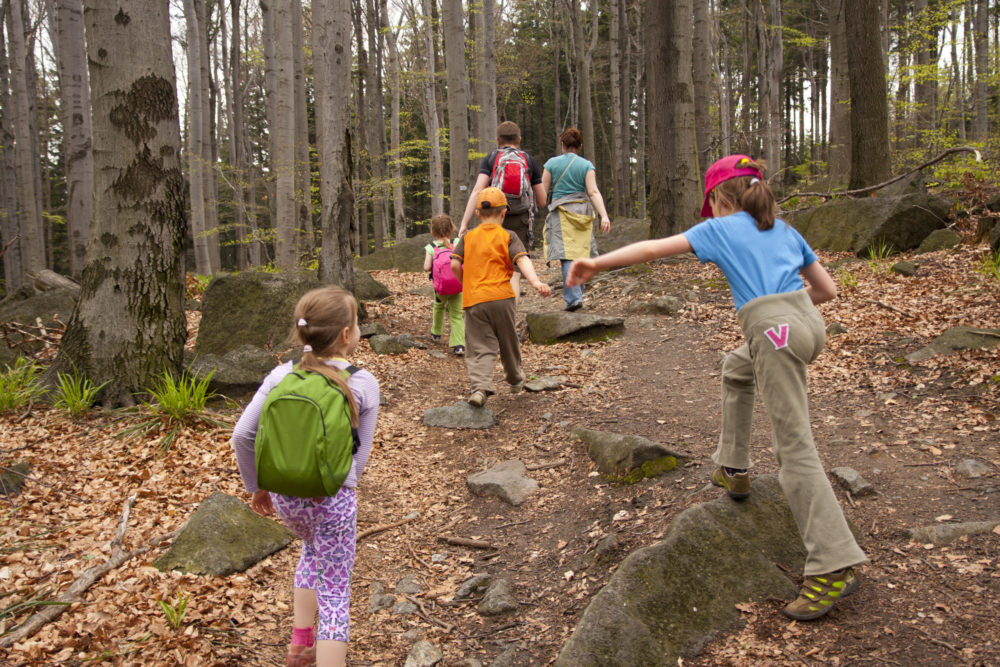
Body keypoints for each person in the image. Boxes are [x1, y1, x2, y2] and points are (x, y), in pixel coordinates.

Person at [567, 155, 867, 622]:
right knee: (736, 367)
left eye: (709, 205)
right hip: (808, 325)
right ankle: (734, 466)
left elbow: (650, 249)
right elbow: (826, 290)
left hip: (774, 333)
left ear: (719, 199)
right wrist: (787, 312)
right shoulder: (786, 231)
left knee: (795, 450)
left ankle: (833, 564)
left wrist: (594, 262)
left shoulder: (721, 229)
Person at [232, 286, 380, 666]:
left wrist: (258, 486)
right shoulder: (362, 382)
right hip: (333, 500)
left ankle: (300, 643)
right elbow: (357, 462)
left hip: (285, 498)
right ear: (346, 335)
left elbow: (243, 434)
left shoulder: (282, 374)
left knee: (309, 551)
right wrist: (333, 489)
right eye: (357, 324)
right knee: (335, 591)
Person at [452, 187, 552, 407]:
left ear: (477, 214)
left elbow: (454, 263)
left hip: (474, 300)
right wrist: (535, 281)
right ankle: (515, 380)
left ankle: (480, 388)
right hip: (502, 298)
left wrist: (464, 283)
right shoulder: (508, 236)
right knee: (508, 341)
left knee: (479, 346)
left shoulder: (468, 237)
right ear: (504, 212)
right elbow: (522, 259)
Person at [458, 121, 547, 306]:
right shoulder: (529, 160)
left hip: (494, 217)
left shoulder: (491, 158)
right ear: (519, 140)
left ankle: (486, 304)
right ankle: (510, 316)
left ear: (498, 141)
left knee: (492, 264)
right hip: (520, 219)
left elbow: (477, 190)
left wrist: (464, 223)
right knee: (514, 270)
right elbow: (542, 200)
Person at [541, 127, 611, 311]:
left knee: (567, 256)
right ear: (580, 146)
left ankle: (573, 299)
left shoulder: (551, 164)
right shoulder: (587, 165)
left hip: (561, 213)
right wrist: (604, 215)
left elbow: (542, 191)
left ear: (562, 145)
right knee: (582, 254)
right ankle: (577, 295)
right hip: (583, 213)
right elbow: (593, 192)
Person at [423, 213, 466, 355]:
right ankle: (459, 344)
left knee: (438, 307)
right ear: (452, 229)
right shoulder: (458, 242)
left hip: (440, 289)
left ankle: (436, 333)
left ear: (432, 232)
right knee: (457, 315)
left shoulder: (431, 247)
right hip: (458, 285)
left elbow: (426, 267)